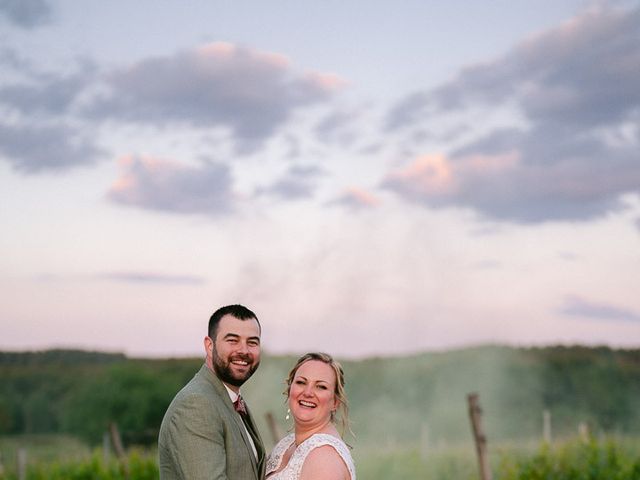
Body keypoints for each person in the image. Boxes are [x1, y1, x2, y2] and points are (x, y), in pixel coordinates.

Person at [158, 304, 265, 480]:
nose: (244, 351)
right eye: (232, 340)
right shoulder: (196, 404)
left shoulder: (229, 399)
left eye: (252, 342)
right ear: (209, 345)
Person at [266, 352, 356, 480]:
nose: (308, 393)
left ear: (335, 402)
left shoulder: (324, 458)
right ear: (290, 389)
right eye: (301, 382)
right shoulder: (286, 445)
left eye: (321, 387)